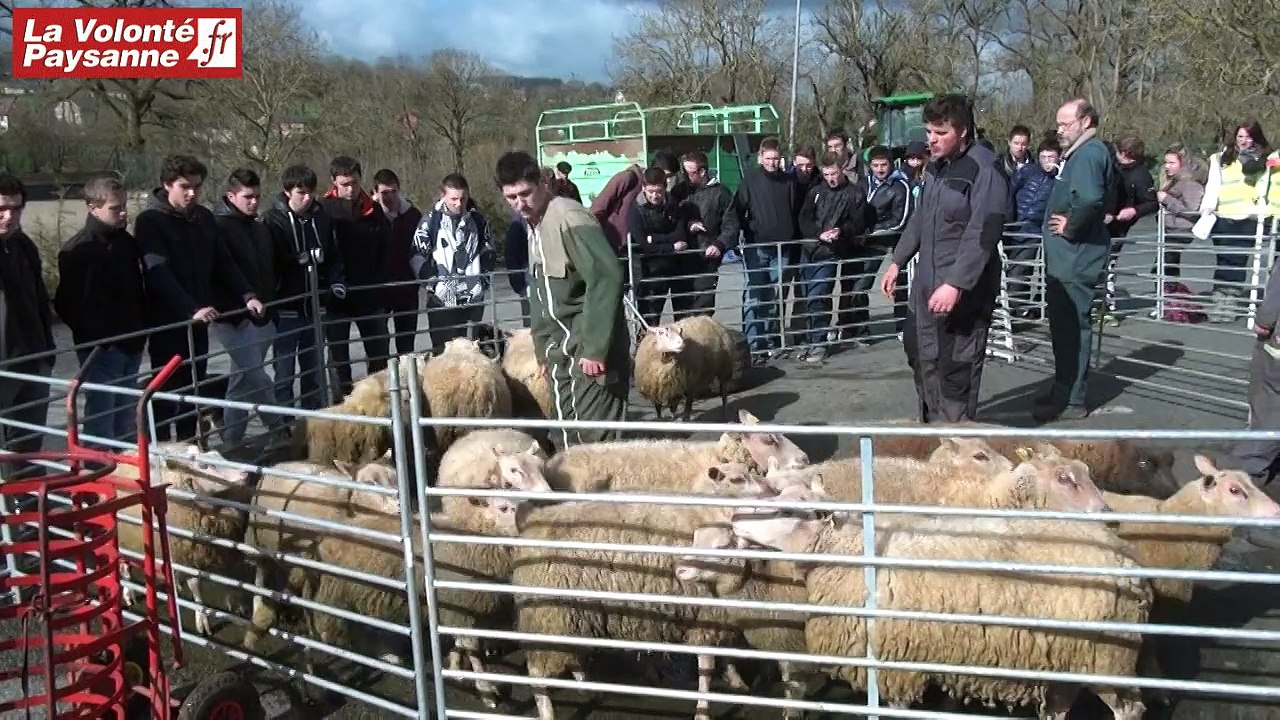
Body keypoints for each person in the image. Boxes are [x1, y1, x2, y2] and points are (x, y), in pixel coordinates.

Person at [878, 94, 1007, 423]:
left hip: (963, 292)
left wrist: (956, 283)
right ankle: (932, 428)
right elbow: (921, 218)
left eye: (940, 132)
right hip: (926, 285)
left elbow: (984, 232)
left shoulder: (984, 168)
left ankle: (957, 437)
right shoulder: (935, 168)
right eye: (928, 132)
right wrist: (898, 260)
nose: (931, 140)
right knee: (919, 353)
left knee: (956, 367)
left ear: (962, 131)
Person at [495, 151, 628, 446]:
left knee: (596, 439)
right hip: (560, 353)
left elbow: (605, 277)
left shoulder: (568, 217)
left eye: (526, 193)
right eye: (511, 197)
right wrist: (543, 349)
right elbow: (541, 295)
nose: (520, 203)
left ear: (543, 183)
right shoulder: (533, 227)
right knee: (566, 433)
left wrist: (595, 349)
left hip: (587, 348)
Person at [135, 155, 263, 441]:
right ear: (167, 185)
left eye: (197, 186)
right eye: (184, 186)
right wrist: (189, 308)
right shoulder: (150, 221)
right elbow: (157, 271)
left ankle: (191, 446)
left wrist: (247, 295)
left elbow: (223, 262)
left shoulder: (203, 218)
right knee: (166, 388)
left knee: (192, 388)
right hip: (167, 321)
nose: (192, 193)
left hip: (200, 321)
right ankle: (163, 452)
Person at [1034, 98, 1115, 422]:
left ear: (1086, 121)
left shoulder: (1090, 153)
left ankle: (1073, 399)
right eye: (1059, 124)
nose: (1059, 130)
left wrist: (1071, 226)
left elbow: (1092, 197)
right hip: (1068, 259)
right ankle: (1063, 389)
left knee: (1073, 331)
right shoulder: (1082, 154)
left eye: (1065, 124)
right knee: (1064, 330)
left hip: (1075, 259)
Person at [55, 175, 147, 447]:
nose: (123, 213)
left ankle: (127, 477)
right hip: (102, 349)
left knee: (127, 418)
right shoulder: (77, 250)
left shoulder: (125, 242)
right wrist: (99, 338)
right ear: (92, 207)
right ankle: (99, 478)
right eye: (115, 208)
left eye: (124, 206)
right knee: (102, 420)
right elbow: (67, 303)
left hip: (132, 342)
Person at [261, 164, 345, 410]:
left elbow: (333, 255)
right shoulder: (272, 220)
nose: (307, 198)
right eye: (301, 193)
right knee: (284, 374)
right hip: (286, 310)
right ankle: (284, 424)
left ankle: (314, 421)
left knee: (314, 372)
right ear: (288, 192)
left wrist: (336, 282)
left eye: (311, 192)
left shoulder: (322, 217)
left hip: (315, 308)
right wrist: (300, 258)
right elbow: (269, 262)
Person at [321, 156, 391, 399]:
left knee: (379, 352)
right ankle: (342, 405)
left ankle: (379, 401)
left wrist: (381, 286)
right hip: (336, 296)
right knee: (338, 359)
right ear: (334, 182)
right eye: (344, 184)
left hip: (369, 293)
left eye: (354, 183)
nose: (350, 189)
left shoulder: (373, 211)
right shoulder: (323, 211)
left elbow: (385, 250)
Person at [0, 174, 56, 467]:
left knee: (29, 443)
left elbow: (39, 302)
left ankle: (31, 503)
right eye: (1, 209)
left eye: (17, 208)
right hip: (4, 365)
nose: (10, 216)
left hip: (34, 359)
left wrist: (47, 350)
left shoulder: (24, 246)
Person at [410, 173, 495, 351]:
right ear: (443, 196)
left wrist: (483, 282)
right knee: (443, 352)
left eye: (463, 199)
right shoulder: (430, 222)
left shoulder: (478, 221)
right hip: (442, 301)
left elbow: (488, 252)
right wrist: (433, 284)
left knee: (471, 350)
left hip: (472, 298)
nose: (458, 204)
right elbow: (417, 255)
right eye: (454, 199)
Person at [1199, 122, 1273, 323]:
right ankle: (1218, 301)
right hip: (1224, 216)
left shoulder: (1264, 159)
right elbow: (1213, 185)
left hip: (1248, 217)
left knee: (1237, 261)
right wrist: (1207, 207)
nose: (1244, 141)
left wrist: (1263, 211)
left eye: (1248, 137)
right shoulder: (1220, 158)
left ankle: (1229, 303)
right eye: (1240, 136)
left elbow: (1266, 186)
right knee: (1223, 260)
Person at [797, 152, 868, 363]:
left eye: (834, 173)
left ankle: (818, 343)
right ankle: (811, 340)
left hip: (830, 251)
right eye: (827, 174)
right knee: (808, 297)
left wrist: (840, 231)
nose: (831, 178)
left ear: (841, 170)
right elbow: (804, 218)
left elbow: (858, 222)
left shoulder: (855, 194)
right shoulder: (816, 191)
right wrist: (818, 232)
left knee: (819, 296)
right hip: (810, 248)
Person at [736, 137, 798, 363]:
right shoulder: (749, 182)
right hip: (757, 248)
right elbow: (738, 211)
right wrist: (750, 230)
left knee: (774, 297)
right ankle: (753, 345)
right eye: (768, 158)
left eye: (776, 158)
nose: (772, 162)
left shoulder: (788, 181)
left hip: (782, 249)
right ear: (760, 158)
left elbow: (793, 208)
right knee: (754, 295)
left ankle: (772, 342)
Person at [671, 150, 738, 318]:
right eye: (683, 172)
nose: (685, 176)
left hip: (706, 260)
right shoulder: (679, 192)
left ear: (702, 172)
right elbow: (671, 219)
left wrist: (719, 244)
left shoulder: (721, 193)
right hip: (681, 260)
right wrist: (688, 225)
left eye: (690, 173)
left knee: (703, 311)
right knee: (681, 311)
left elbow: (731, 224)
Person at [627, 166, 690, 327]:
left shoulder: (673, 204)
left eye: (659, 191)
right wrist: (671, 247)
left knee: (683, 315)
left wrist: (653, 238)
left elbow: (680, 234)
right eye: (651, 191)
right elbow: (641, 242)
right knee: (649, 319)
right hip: (648, 271)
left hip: (673, 268)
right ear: (643, 188)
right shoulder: (635, 209)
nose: (655, 195)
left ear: (665, 187)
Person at [1005, 139, 1061, 315]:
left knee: (1022, 269)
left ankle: (1016, 308)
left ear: (1059, 157)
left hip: (1034, 230)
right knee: (1011, 268)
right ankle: (1014, 305)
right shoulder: (1028, 172)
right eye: (1043, 156)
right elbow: (1010, 192)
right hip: (1014, 225)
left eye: (1051, 156)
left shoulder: (1061, 179)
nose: (1047, 160)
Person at [372, 168, 425, 356]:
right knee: (378, 348)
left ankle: (407, 382)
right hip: (378, 291)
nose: (390, 197)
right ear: (375, 193)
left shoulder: (413, 216)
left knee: (406, 347)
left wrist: (421, 279)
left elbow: (422, 250)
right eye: (384, 192)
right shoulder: (369, 216)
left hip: (407, 289)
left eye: (394, 191)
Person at [591, 150, 677, 254]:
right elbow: (598, 208)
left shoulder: (665, 194)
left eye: (670, 177)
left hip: (642, 247)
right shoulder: (627, 178)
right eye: (666, 176)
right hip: (617, 245)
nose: (668, 181)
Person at [1155, 143, 1206, 278]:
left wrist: (1167, 200)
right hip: (1170, 230)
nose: (1167, 166)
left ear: (1182, 163)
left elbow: (1192, 211)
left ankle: (1170, 295)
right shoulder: (1174, 180)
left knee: (1163, 268)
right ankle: (1171, 294)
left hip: (1181, 231)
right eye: (1166, 162)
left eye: (1172, 163)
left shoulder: (1191, 183)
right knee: (1166, 268)